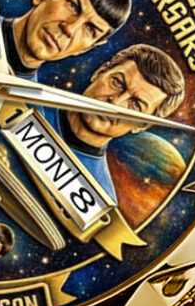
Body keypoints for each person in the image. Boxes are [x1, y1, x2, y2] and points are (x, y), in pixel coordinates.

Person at [42, 44, 185, 202]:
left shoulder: (98, 197)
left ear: (142, 125)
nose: (116, 103)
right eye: (117, 82)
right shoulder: (28, 98)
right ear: (99, 73)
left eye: (136, 105)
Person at [2, 0, 131, 80]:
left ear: (89, 47)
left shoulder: (27, 98)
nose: (69, 29)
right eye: (73, 6)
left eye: (90, 30)